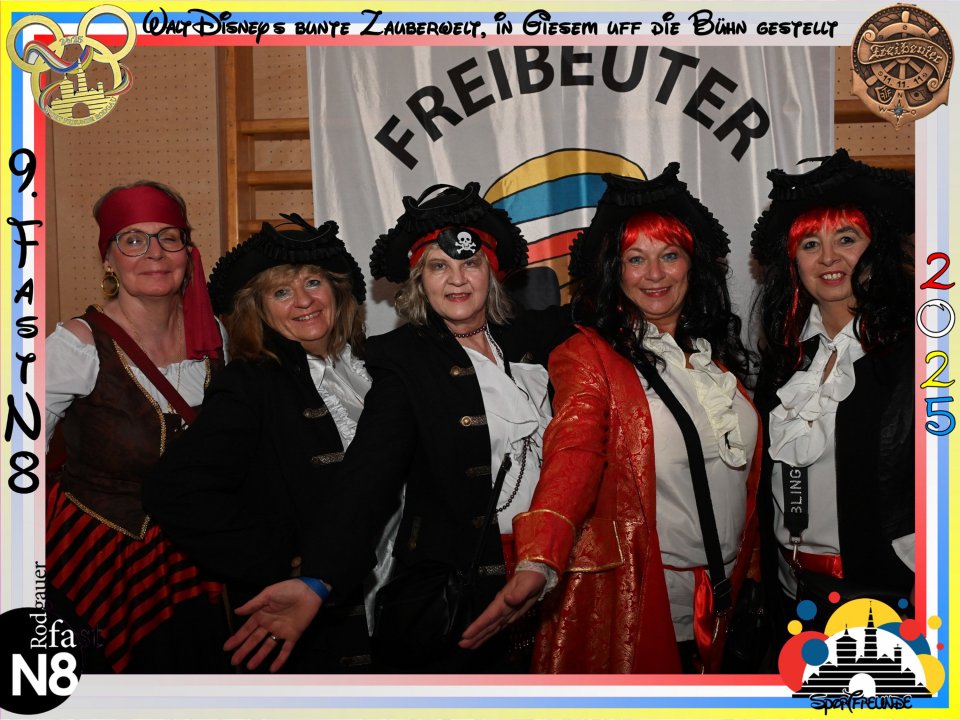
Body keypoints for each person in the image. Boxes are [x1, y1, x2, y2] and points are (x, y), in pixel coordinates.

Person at [222, 182, 572, 673]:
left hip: (559, 574)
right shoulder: (399, 360)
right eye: (438, 266)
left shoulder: (533, 335)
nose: (457, 280)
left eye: (470, 264)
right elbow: (368, 476)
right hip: (466, 595)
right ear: (418, 281)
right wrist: (318, 579)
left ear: (492, 273)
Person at [461, 164, 762, 674]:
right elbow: (573, 453)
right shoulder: (590, 357)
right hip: (651, 604)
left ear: (692, 266)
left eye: (670, 256)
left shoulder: (716, 360)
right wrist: (539, 558)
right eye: (635, 259)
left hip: (731, 603)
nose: (654, 274)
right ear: (615, 272)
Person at [144, 214, 375, 672]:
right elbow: (172, 490)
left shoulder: (366, 367)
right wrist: (282, 557)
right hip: (314, 614)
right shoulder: (252, 382)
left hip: (385, 590)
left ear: (337, 292)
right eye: (281, 292)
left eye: (313, 282)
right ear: (260, 309)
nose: (304, 301)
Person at [44, 180, 227, 673]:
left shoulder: (215, 335)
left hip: (194, 554)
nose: (154, 253)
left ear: (188, 252)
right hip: (103, 556)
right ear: (108, 259)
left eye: (169, 237)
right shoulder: (76, 346)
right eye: (133, 240)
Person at [750, 149, 915, 637]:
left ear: (875, 250)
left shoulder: (919, 353)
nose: (828, 258)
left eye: (847, 239)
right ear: (794, 262)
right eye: (810, 244)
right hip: (792, 594)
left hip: (883, 599)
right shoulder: (785, 361)